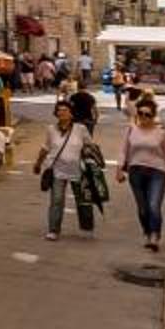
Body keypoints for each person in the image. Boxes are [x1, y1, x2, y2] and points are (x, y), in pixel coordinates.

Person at [121, 93, 165, 250]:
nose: (143, 117)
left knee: (154, 205)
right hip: (136, 171)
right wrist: (120, 169)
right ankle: (147, 232)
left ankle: (154, 235)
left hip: (157, 172)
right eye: (140, 113)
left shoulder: (160, 133)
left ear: (153, 116)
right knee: (142, 208)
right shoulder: (131, 131)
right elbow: (124, 151)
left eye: (147, 114)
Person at [37, 100, 101, 239]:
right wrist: (38, 163)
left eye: (65, 110)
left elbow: (90, 146)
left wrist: (89, 154)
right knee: (57, 200)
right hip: (57, 170)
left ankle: (87, 228)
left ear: (71, 113)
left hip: (78, 170)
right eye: (59, 110)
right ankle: (53, 230)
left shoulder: (81, 129)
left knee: (83, 200)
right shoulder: (51, 129)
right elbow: (45, 148)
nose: (62, 113)